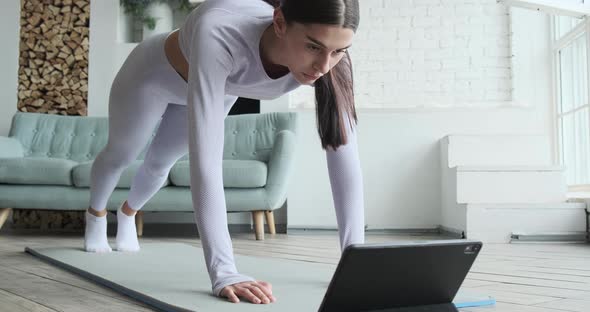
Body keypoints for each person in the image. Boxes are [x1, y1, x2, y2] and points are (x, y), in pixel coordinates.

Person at [83, 0, 364, 305]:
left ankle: (127, 214)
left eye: (338, 51)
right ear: (280, 23)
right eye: (313, 47)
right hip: (151, 76)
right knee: (122, 154)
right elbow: (206, 163)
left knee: (161, 163)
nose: (324, 66)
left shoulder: (334, 60)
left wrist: (356, 261)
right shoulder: (219, 32)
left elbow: (344, 155)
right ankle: (96, 216)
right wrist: (224, 272)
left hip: (215, 85)